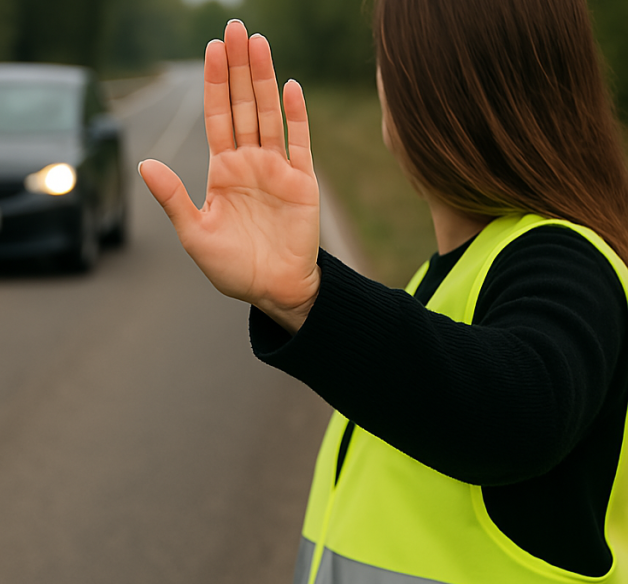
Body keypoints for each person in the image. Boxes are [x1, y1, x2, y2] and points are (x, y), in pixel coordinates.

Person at [139, 1, 628, 582]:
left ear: (426, 92)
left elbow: (523, 411)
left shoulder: (566, 259)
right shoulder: (445, 279)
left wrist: (312, 299)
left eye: (386, 62)